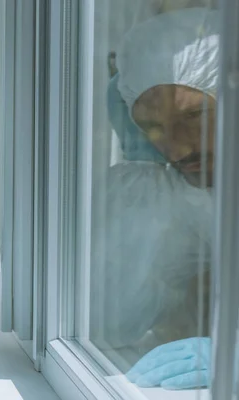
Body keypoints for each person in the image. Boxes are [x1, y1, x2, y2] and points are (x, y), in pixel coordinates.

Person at [101, 7, 219, 390]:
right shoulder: (186, 196)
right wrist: (140, 176)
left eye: (194, 115)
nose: (176, 148)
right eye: (152, 127)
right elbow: (114, 321)